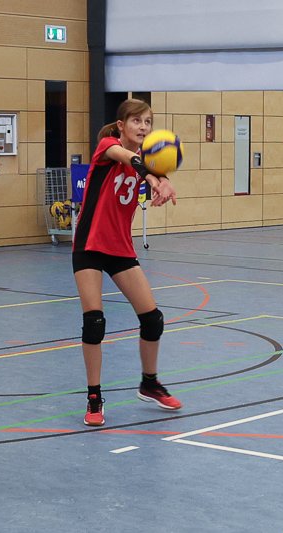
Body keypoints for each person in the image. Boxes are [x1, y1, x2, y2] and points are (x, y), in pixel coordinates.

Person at [74, 98, 181, 426]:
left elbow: (148, 171)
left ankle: (149, 383)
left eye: (148, 122)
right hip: (90, 246)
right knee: (94, 322)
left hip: (120, 248)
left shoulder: (148, 161)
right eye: (136, 121)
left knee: (153, 319)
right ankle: (94, 397)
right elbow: (127, 158)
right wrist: (151, 174)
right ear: (121, 126)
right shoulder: (107, 147)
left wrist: (163, 181)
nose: (143, 127)